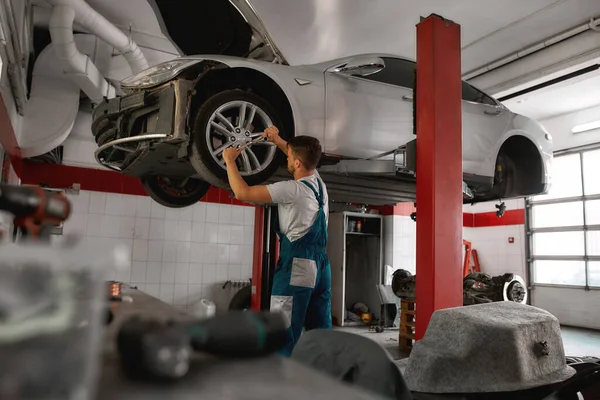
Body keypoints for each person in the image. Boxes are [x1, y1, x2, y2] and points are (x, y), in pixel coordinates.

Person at [222, 126, 332, 356]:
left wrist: (230, 161)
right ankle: (326, 380)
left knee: (283, 330)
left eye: (290, 156)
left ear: (298, 163)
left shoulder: (291, 190)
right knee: (322, 333)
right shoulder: (318, 184)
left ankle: (280, 384)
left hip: (298, 265)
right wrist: (277, 140)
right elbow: (297, 155)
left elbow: (243, 192)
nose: (287, 159)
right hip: (322, 267)